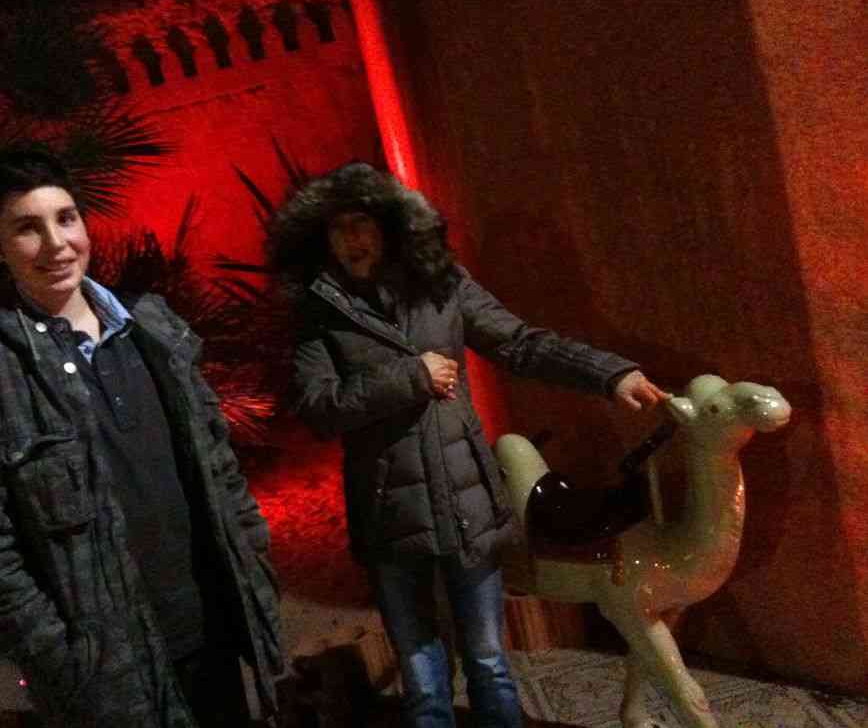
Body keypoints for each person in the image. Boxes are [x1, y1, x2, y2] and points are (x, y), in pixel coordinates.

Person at [266, 163, 668, 728]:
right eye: (338, 228)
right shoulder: (319, 312)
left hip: (466, 505)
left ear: (390, 225)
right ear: (319, 238)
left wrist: (609, 374)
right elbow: (318, 408)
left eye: (362, 224)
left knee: (488, 661)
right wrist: (412, 376)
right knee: (423, 678)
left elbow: (521, 345)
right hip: (388, 515)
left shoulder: (442, 286)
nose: (352, 239)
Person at [0, 145, 283, 727]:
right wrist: (64, 660)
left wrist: (254, 564)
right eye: (27, 228)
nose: (57, 244)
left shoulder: (154, 328)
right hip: (111, 677)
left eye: (66, 218)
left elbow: (219, 465)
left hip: (213, 629)